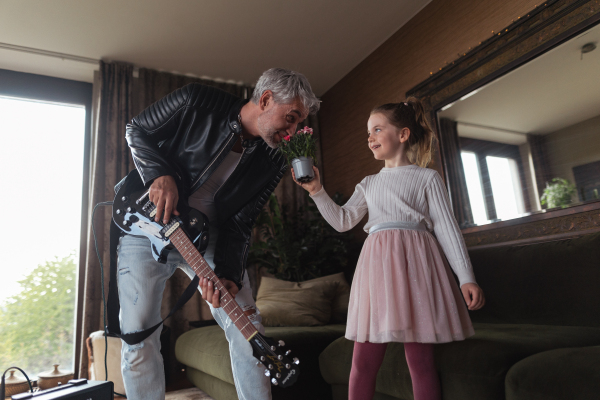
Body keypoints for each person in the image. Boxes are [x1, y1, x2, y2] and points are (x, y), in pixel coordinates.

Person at [116, 68, 320, 400]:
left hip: (206, 240)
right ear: (266, 99)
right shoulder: (196, 99)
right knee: (138, 335)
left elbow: (242, 219)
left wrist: (228, 274)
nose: (293, 131)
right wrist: (159, 173)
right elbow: (136, 128)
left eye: (299, 124)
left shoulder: (275, 158)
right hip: (146, 226)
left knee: (248, 329)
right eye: (291, 118)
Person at [292, 98, 485, 400]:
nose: (370, 138)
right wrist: (317, 191)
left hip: (419, 271)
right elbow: (343, 221)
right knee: (363, 361)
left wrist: (466, 277)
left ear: (403, 134)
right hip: (377, 274)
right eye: (368, 132)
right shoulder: (368, 184)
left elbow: (447, 229)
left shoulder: (427, 177)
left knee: (420, 362)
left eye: (377, 129)